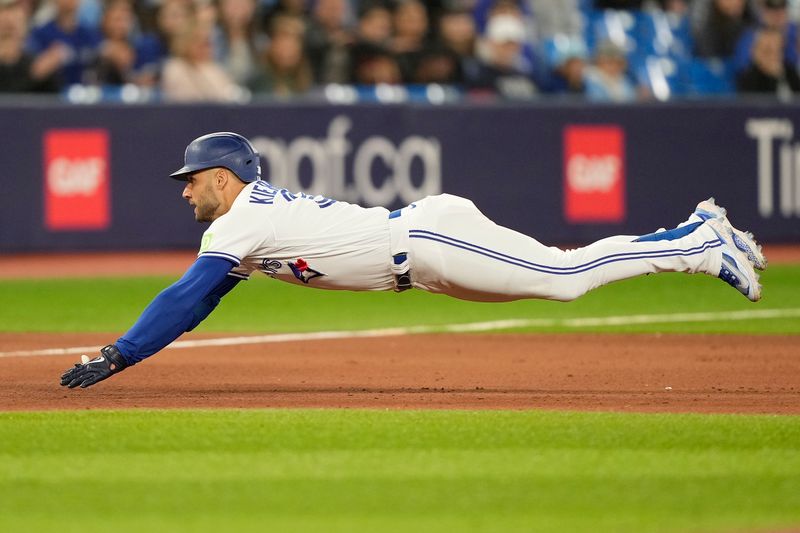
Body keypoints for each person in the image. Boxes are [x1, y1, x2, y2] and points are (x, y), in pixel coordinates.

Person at [60, 132, 768, 389]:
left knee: (566, 276)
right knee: (562, 277)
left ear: (222, 176)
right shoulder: (245, 227)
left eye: (190, 178)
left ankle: (698, 240)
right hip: (427, 263)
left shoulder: (241, 219)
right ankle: (696, 238)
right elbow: (205, 299)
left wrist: (122, 353)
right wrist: (131, 350)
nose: (184, 190)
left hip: (427, 240)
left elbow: (186, 294)